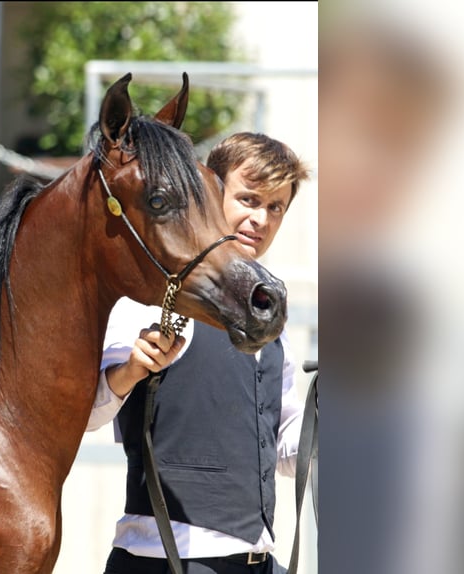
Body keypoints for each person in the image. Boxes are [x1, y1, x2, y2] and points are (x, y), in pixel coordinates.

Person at [87, 132, 311, 574]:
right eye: (248, 199)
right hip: (169, 558)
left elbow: (281, 450)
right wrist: (131, 370)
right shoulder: (154, 295)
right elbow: (87, 412)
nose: (260, 219)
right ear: (210, 192)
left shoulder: (266, 316)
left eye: (275, 207)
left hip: (257, 561)